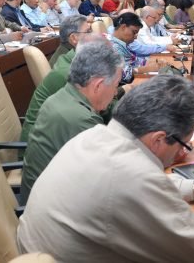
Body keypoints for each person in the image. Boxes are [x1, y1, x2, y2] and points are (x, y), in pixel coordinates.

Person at [17, 75, 194, 262]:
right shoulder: (132, 177)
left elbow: (127, 185)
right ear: (159, 139)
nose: (183, 152)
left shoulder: (94, 137)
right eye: (184, 142)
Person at [20, 39, 123, 203]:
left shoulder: (65, 95)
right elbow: (115, 176)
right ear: (98, 86)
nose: (115, 91)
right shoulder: (81, 119)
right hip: (54, 208)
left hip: (49, 197)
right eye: (116, 85)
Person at [21, 17, 125, 145]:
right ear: (74, 38)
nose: (92, 34)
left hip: (56, 137)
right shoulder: (69, 73)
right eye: (88, 31)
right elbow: (103, 111)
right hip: (45, 143)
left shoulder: (73, 59)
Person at [109, 12, 166, 83]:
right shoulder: (113, 47)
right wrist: (146, 69)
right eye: (134, 32)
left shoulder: (122, 43)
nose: (135, 37)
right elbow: (123, 75)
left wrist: (149, 62)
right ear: (123, 27)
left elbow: (134, 61)